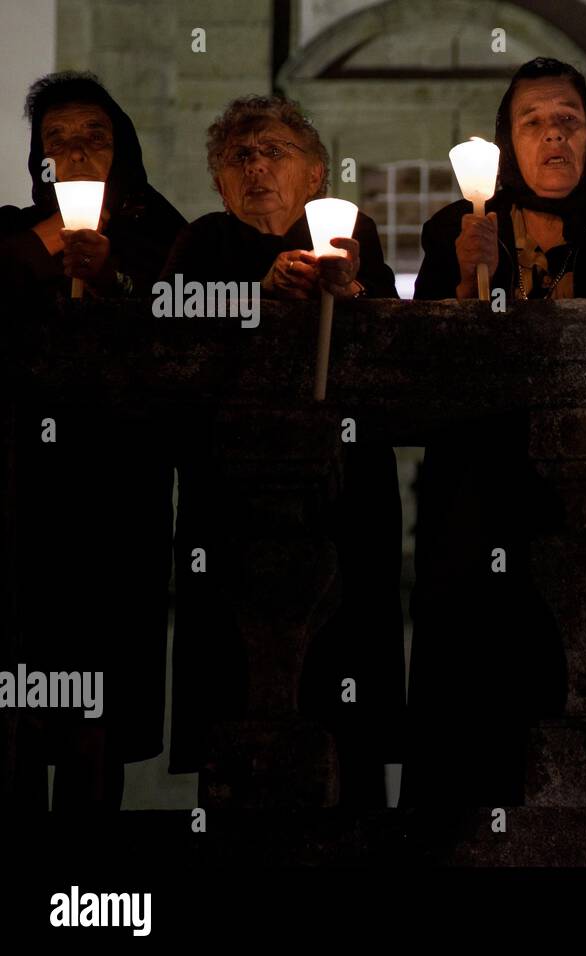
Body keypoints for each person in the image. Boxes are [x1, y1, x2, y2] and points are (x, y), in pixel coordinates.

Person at [404, 57, 586, 808]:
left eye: (568, 118)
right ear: (507, 143)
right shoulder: (456, 227)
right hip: (482, 501)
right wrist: (466, 285)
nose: (553, 134)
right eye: (532, 122)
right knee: (478, 713)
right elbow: (427, 377)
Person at [161, 95, 405, 807]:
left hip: (344, 490)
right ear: (219, 182)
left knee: (345, 673)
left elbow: (394, 336)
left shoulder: (350, 232)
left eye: (274, 151)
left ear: (316, 174)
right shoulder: (205, 242)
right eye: (241, 155)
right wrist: (254, 295)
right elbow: (170, 320)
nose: (257, 165)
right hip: (230, 496)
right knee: (238, 686)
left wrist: (350, 288)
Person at [0, 72, 185, 810]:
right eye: (58, 141)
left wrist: (118, 278)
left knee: (100, 685)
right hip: (23, 484)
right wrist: (45, 246)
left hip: (117, 487)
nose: (75, 153)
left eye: (94, 138)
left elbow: (183, 309)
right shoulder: (15, 227)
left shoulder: (158, 230)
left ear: (123, 149)